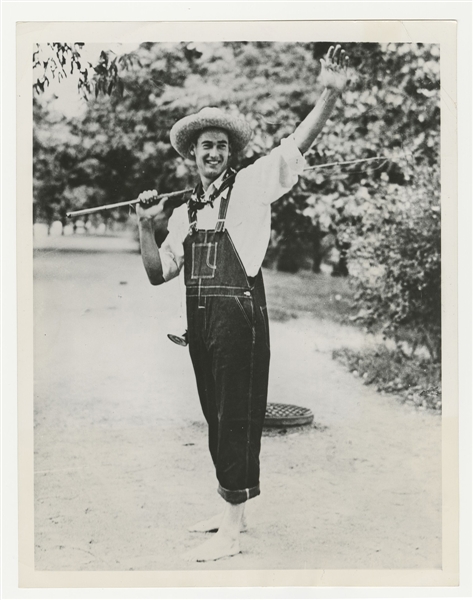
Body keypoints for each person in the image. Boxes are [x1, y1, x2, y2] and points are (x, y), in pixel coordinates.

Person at [136, 45, 350, 562]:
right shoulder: (184, 214)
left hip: (240, 323)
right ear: (192, 154)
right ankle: (233, 512)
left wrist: (329, 93)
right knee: (216, 416)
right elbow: (157, 274)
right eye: (205, 146)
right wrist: (144, 224)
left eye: (221, 146)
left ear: (231, 152)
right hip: (200, 324)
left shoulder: (253, 185)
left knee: (237, 417)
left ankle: (231, 531)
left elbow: (297, 143)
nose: (213, 153)